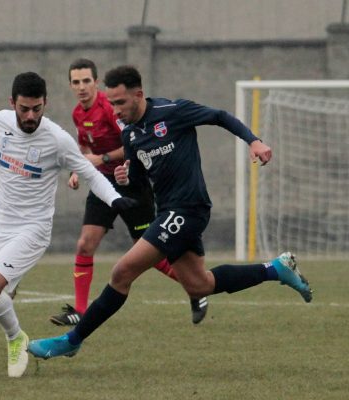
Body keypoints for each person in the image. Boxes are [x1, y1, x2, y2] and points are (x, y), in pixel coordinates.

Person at [28, 65, 313, 360]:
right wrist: (127, 177)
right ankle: (276, 269)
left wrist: (253, 140)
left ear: (138, 95)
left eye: (121, 102)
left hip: (189, 208)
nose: (115, 111)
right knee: (199, 284)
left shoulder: (172, 111)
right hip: (168, 210)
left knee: (122, 272)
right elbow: (139, 180)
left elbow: (219, 116)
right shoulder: (130, 136)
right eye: (112, 103)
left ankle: (72, 340)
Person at [0, 70, 139, 378]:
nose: (30, 115)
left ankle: (16, 338)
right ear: (13, 103)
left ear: (45, 104)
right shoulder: (2, 122)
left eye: (37, 108)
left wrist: (115, 200)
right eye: (24, 108)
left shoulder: (57, 139)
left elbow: (89, 173)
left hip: (31, 230)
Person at [50, 58, 207, 326]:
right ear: (70, 86)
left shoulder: (113, 109)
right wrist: (79, 169)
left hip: (132, 184)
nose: (81, 87)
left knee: (150, 254)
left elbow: (133, 145)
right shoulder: (79, 113)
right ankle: (79, 310)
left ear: (96, 83)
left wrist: (103, 160)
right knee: (85, 244)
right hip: (102, 186)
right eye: (76, 82)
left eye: (86, 81)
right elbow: (85, 152)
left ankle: (197, 289)